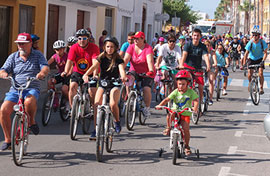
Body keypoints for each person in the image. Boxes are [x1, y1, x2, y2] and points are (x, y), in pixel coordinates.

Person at [0, 33, 49, 150]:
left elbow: (45, 67)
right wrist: (3, 73)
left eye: (23, 44)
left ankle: (31, 121)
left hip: (31, 87)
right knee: (3, 110)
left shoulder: (37, 55)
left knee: (28, 102)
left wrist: (42, 73)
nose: (20, 46)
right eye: (19, 44)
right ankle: (8, 140)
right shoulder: (13, 57)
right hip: (15, 89)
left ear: (30, 44)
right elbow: (3, 69)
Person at [83, 36, 127, 134]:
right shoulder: (101, 57)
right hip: (103, 83)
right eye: (107, 47)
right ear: (104, 47)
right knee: (96, 104)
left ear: (115, 48)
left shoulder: (118, 59)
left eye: (111, 47)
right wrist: (86, 75)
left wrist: (123, 76)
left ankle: (117, 121)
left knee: (112, 103)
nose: (109, 49)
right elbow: (94, 66)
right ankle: (96, 129)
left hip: (115, 83)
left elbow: (121, 69)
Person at [61, 29, 100, 138]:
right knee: (72, 86)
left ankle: (92, 107)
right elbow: (69, 61)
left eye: (84, 38)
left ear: (88, 39)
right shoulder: (74, 47)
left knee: (92, 91)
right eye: (79, 38)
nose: (81, 41)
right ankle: (73, 109)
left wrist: (95, 74)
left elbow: (95, 62)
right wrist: (65, 71)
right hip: (78, 71)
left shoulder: (94, 48)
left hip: (91, 72)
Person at [155, 69, 198, 156]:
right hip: (176, 112)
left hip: (185, 113)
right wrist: (160, 105)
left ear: (187, 84)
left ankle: (186, 146)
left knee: (186, 129)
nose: (181, 86)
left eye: (183, 84)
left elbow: (196, 100)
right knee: (170, 113)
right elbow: (167, 99)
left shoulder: (190, 92)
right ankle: (168, 128)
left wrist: (195, 108)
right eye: (179, 84)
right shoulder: (175, 92)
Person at [123, 31, 155, 118]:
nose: (135, 40)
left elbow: (150, 61)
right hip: (135, 71)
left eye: (137, 39)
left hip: (147, 72)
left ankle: (147, 108)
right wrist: (121, 69)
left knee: (146, 89)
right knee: (128, 79)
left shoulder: (148, 48)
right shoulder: (131, 47)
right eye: (134, 39)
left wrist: (151, 70)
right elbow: (125, 59)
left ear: (143, 39)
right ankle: (129, 98)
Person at [179, 28, 211, 101]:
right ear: (192, 36)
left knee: (200, 85)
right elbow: (184, 55)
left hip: (197, 68)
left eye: (197, 35)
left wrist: (208, 66)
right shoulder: (188, 45)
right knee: (184, 82)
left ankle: (200, 100)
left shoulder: (202, 46)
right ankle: (182, 98)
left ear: (200, 37)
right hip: (187, 67)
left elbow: (206, 56)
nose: (196, 37)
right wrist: (181, 65)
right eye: (194, 35)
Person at [243, 26, 268, 94]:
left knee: (260, 73)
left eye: (256, 35)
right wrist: (244, 63)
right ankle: (250, 83)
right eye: (253, 34)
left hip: (260, 59)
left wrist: (263, 61)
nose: (254, 36)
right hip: (251, 59)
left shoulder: (262, 42)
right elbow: (246, 54)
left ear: (259, 36)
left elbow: (265, 53)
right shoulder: (250, 43)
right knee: (249, 74)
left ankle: (261, 88)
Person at [204, 40, 217, 105]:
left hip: (210, 68)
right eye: (205, 45)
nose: (207, 47)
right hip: (202, 68)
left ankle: (210, 98)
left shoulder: (212, 53)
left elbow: (215, 61)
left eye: (208, 45)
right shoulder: (202, 52)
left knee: (211, 81)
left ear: (210, 46)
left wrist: (214, 64)